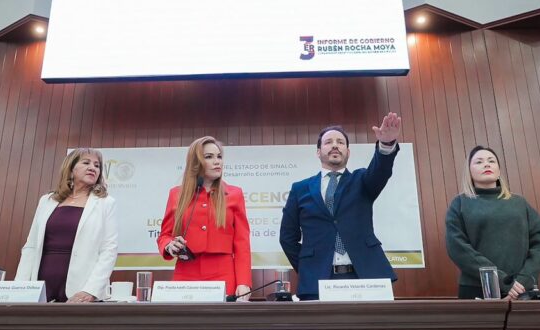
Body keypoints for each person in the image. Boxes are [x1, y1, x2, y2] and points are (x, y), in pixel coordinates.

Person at [280, 113, 401, 299]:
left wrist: (386, 145)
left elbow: (380, 171)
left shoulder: (362, 180)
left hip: (366, 276)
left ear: (348, 152)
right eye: (328, 142)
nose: (335, 145)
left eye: (340, 142)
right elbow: (287, 237)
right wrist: (308, 265)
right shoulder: (300, 189)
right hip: (317, 280)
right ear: (318, 152)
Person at [445, 145, 540, 299]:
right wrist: (501, 280)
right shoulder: (460, 203)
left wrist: (524, 279)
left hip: (520, 289)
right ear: (469, 171)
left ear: (499, 170)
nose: (486, 164)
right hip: (476, 288)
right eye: (479, 162)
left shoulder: (519, 202)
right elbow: (457, 248)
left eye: (491, 161)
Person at [14, 148, 119, 302]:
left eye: (97, 165)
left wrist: (91, 290)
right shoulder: (47, 200)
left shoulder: (106, 203)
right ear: (70, 169)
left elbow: (109, 250)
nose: (93, 168)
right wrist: (19, 286)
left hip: (82, 291)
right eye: (86, 163)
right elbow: (31, 246)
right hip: (41, 286)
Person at [158, 136, 252, 300]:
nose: (217, 162)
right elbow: (165, 235)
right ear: (196, 163)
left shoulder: (234, 194)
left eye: (219, 156)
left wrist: (244, 282)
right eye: (209, 157)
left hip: (223, 273)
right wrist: (169, 246)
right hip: (185, 272)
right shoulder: (176, 194)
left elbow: (242, 243)